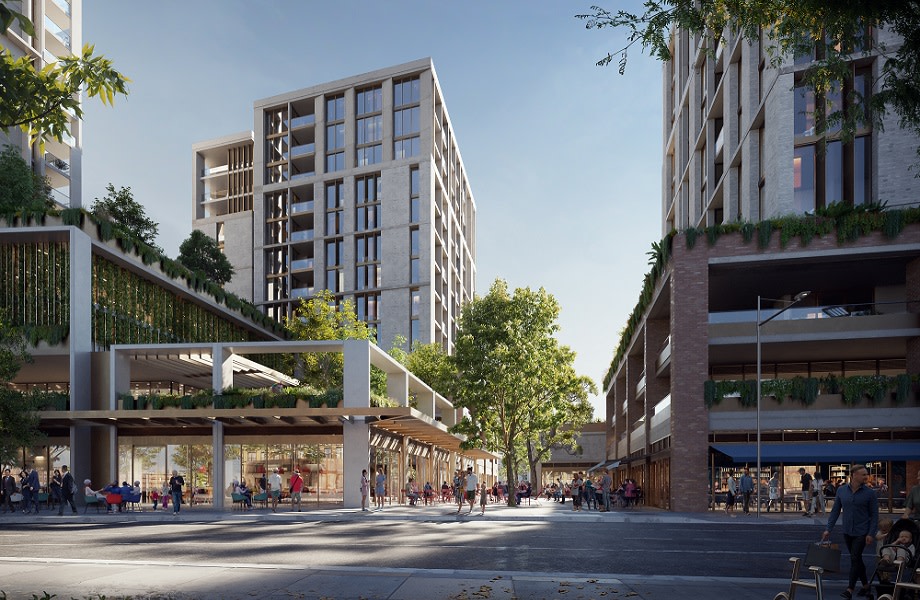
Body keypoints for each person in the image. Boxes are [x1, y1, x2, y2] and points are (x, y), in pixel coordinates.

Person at [822, 465, 879, 599]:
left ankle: (849, 589)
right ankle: (866, 586)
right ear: (854, 475)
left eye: (866, 474)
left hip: (862, 531)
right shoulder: (841, 491)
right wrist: (828, 529)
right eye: (863, 474)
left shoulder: (870, 493)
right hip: (847, 531)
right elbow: (835, 511)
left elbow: (874, 516)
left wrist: (871, 533)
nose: (866, 477)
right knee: (857, 559)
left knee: (854, 558)